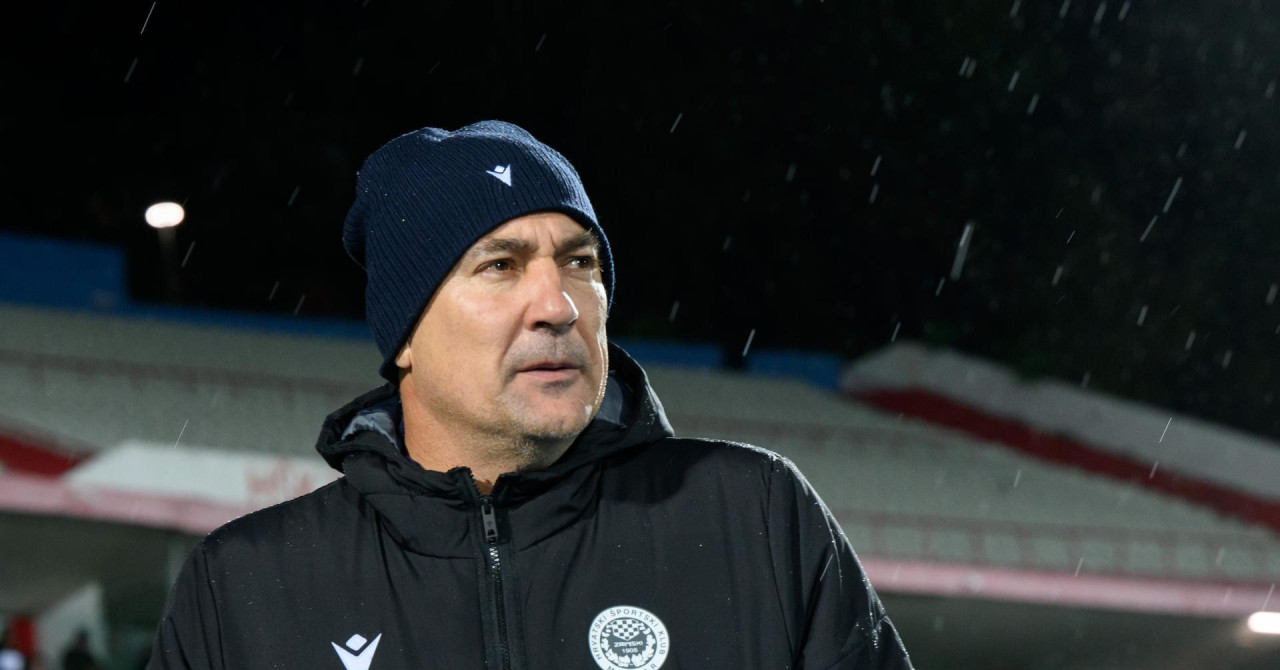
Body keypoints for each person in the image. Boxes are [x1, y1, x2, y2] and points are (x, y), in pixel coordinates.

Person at [147, 120, 912, 669]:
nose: (558, 306)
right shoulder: (244, 586)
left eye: (580, 263)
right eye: (500, 266)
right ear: (404, 337)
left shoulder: (754, 516)